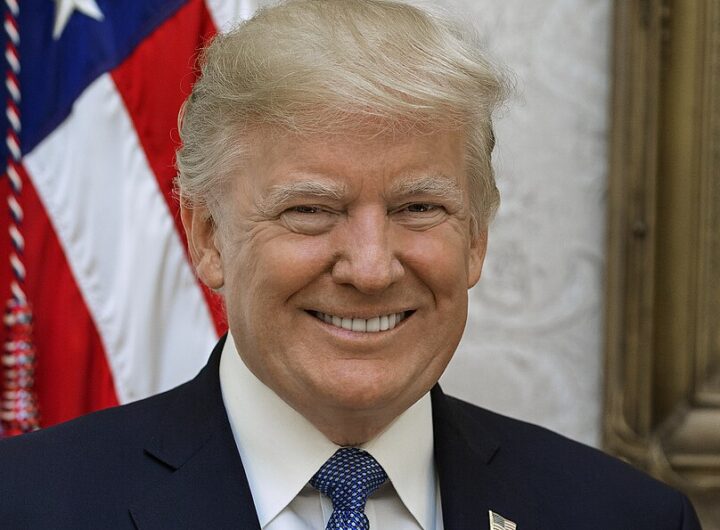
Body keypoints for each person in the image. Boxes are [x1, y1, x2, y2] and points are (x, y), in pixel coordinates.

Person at [0, 0, 702, 528]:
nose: (370, 269)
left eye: (419, 208)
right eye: (311, 210)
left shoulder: (622, 516)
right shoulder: (30, 506)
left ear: (477, 237)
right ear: (209, 236)